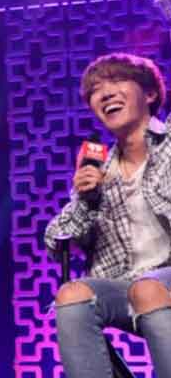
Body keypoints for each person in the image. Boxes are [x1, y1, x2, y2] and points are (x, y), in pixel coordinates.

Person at [45, 53, 171, 378]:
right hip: (126, 284)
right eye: (95, 91)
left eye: (117, 81)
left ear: (150, 93)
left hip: (161, 281)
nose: (105, 93)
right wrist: (86, 199)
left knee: (147, 288)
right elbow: (55, 242)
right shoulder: (100, 169)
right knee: (71, 294)